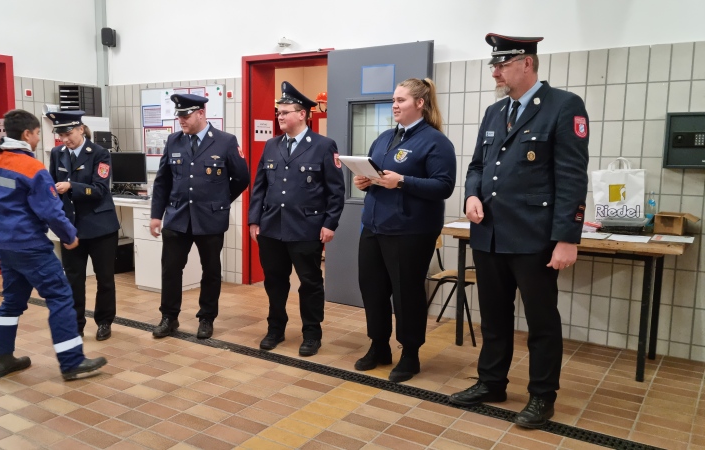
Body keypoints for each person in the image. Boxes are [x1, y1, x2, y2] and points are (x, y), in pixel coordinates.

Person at [449, 34, 589, 428]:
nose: (495, 72)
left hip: (534, 238)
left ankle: (542, 395)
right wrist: (471, 195)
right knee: (494, 316)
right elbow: (477, 166)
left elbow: (572, 177)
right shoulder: (495, 111)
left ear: (527, 63)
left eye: (502, 64)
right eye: (494, 65)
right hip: (490, 234)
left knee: (541, 322)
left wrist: (567, 237)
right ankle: (491, 382)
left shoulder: (563, 106)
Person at [0, 109, 107, 381]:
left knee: (11, 302)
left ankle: (2, 358)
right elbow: (51, 211)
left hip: (5, 246)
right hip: (31, 246)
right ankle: (72, 362)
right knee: (61, 297)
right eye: (37, 133)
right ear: (26, 134)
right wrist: (69, 236)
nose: (39, 138)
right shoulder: (33, 169)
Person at [352, 78, 456, 382]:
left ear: (420, 103)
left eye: (401, 100)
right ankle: (379, 346)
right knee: (372, 289)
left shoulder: (436, 141)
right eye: (393, 100)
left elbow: (444, 186)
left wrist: (403, 181)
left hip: (411, 230)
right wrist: (364, 182)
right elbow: (377, 175)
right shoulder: (384, 138)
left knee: (406, 293)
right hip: (374, 226)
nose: (394, 106)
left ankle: (410, 354)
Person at [248, 82, 345, 357]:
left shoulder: (323, 146)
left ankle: (312, 334)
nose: (279, 117)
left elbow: (336, 191)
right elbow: (259, 187)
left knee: (310, 283)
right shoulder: (271, 145)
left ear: (302, 114)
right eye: (278, 112)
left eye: (285, 112)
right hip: (271, 228)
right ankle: (275, 328)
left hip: (306, 228)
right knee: (274, 282)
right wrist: (254, 220)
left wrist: (330, 223)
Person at [150, 94, 249, 339]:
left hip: (210, 219)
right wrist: (156, 215)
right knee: (171, 270)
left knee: (211, 271)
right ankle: (169, 317)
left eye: (186, 115)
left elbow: (242, 178)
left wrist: (221, 201)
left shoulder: (225, 141)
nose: (181, 120)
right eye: (179, 115)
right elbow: (162, 181)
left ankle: (206, 318)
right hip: (177, 217)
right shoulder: (173, 140)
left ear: (201, 113)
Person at [48, 111, 120, 341]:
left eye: (68, 133)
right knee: (73, 280)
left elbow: (100, 189)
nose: (65, 139)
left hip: (100, 228)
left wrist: (71, 186)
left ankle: (104, 321)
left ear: (81, 129)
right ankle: (75, 324)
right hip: (71, 229)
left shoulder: (99, 153)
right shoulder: (57, 153)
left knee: (104, 279)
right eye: (60, 135)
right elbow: (52, 187)